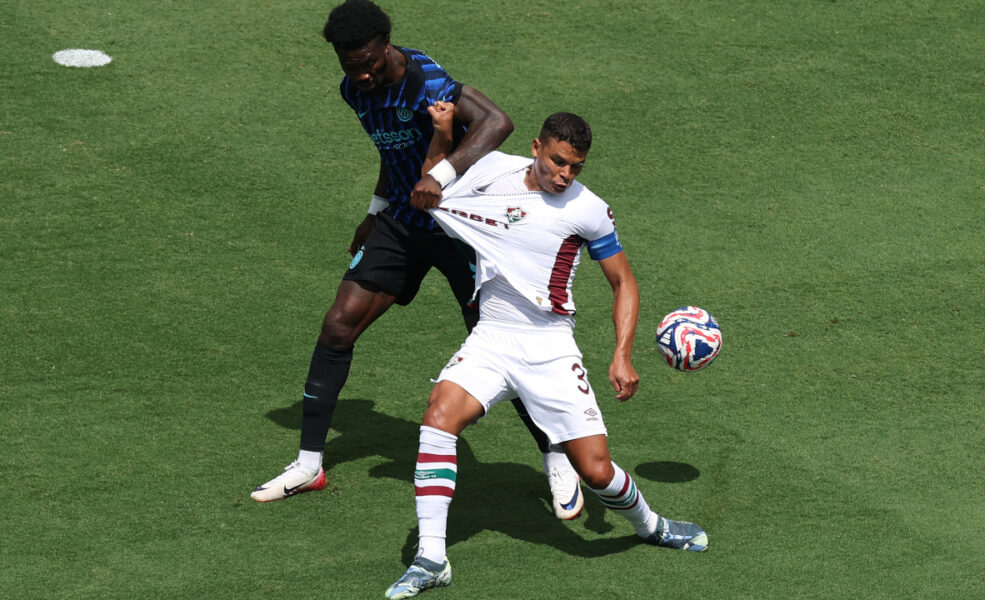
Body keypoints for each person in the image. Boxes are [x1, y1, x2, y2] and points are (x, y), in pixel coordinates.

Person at [251, 0, 585, 521]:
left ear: (387, 44)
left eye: (369, 62)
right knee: (339, 324)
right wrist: (375, 209)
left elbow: (498, 121)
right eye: (350, 65)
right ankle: (308, 463)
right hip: (405, 222)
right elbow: (395, 153)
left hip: (463, 231)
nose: (361, 74)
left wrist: (442, 177)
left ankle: (556, 455)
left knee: (505, 347)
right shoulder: (354, 91)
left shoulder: (427, 79)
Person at [384, 107, 709, 599]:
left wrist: (622, 354)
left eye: (576, 167)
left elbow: (623, 281)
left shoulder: (588, 210)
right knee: (438, 419)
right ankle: (432, 557)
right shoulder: (491, 169)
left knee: (596, 470)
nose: (565, 175)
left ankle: (651, 525)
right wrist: (443, 133)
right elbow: (433, 186)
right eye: (558, 162)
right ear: (536, 148)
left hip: (550, 347)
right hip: (493, 336)